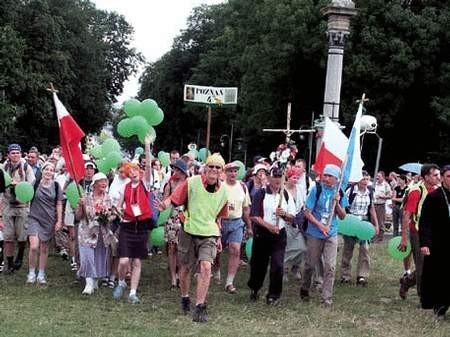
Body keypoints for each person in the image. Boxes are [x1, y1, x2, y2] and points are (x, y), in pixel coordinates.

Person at [156, 153, 228, 323]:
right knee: (186, 268)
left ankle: (200, 306)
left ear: (221, 171)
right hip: (189, 230)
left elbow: (219, 216)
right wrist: (163, 205)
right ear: (205, 168)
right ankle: (185, 296)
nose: (214, 170)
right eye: (211, 166)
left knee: (206, 267)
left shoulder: (224, 191)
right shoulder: (192, 182)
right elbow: (175, 198)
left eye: (218, 167)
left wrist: (218, 236)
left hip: (209, 233)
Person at [113, 135, 154, 304]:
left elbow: (149, 165)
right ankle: (121, 281)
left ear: (140, 172)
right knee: (123, 261)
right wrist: (119, 213)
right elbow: (119, 206)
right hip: (127, 227)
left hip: (141, 227)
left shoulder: (145, 183)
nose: (134, 173)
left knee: (137, 261)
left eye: (136, 171)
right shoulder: (126, 187)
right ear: (128, 174)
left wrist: (147, 146)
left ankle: (132, 292)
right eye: (131, 172)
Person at [299, 164, 347, 307]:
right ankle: (305, 287)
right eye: (324, 175)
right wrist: (320, 225)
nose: (325, 178)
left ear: (336, 179)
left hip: (331, 233)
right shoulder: (316, 189)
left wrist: (337, 204)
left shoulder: (340, 192)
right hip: (315, 232)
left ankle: (326, 298)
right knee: (310, 264)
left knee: (330, 266)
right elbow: (307, 212)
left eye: (329, 176)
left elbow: (343, 216)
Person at [247, 166, 296, 306]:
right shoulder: (260, 194)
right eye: (274, 176)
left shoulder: (285, 195)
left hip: (279, 235)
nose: (277, 180)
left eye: (280, 177)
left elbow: (292, 217)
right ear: (268, 178)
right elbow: (254, 216)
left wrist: (284, 215)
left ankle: (273, 295)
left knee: (278, 265)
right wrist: (269, 227)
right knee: (259, 265)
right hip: (262, 234)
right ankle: (255, 288)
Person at [398, 163, 440, 300]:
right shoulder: (416, 191)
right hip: (417, 232)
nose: (438, 178)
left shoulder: (437, 190)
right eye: (435, 175)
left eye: (438, 175)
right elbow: (406, 215)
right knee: (422, 264)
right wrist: (404, 238)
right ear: (426, 177)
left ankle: (407, 281)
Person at [75, 172, 115, 295]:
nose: (104, 183)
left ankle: (95, 279)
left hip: (102, 233)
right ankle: (88, 283)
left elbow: (113, 214)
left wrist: (107, 217)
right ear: (94, 184)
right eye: (101, 181)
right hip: (87, 232)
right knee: (87, 256)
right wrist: (81, 206)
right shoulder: (86, 197)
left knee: (99, 256)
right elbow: (78, 216)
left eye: (105, 181)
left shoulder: (109, 198)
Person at [215, 161, 252, 293]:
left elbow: (246, 208)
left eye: (235, 171)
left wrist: (249, 226)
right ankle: (216, 268)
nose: (233, 173)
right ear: (225, 173)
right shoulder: (220, 186)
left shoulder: (242, 186)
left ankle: (229, 282)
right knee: (217, 251)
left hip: (237, 222)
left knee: (235, 249)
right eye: (230, 171)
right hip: (221, 222)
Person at [419, 165, 450, 321]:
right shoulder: (434, 197)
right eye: (449, 176)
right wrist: (425, 243)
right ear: (443, 178)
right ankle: (440, 307)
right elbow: (425, 222)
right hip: (440, 243)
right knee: (441, 276)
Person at [339, 170, 379, 286]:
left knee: (365, 249)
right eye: (363, 179)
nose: (365, 182)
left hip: (364, 222)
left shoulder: (370, 192)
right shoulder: (350, 191)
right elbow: (343, 206)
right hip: (351, 221)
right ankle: (345, 275)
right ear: (358, 180)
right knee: (348, 248)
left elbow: (371, 209)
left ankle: (362, 276)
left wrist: (376, 225)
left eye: (367, 179)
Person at [26, 162, 63, 284]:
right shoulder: (35, 184)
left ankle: (41, 274)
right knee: (34, 246)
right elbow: (26, 197)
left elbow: (59, 204)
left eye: (51, 170)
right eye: (47, 169)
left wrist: (59, 220)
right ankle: (31, 273)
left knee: (44, 248)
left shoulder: (57, 186)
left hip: (49, 220)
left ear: (54, 173)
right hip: (34, 218)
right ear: (43, 171)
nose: (49, 172)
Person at [1, 143, 36, 273]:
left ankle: (20, 256)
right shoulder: (4, 167)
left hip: (22, 205)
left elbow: (31, 183)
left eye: (17, 153)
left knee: (22, 235)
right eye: (13, 153)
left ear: (21, 154)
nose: (15, 155)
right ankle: (9, 262)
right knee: (8, 236)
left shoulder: (26, 167)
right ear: (8, 155)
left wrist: (18, 184)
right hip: (8, 204)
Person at [162, 159, 188, 290]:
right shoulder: (170, 183)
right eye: (174, 169)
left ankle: (180, 274)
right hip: (172, 218)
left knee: (182, 249)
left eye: (178, 169)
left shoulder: (190, 183)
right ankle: (173, 278)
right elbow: (165, 201)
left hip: (186, 218)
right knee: (172, 248)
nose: (175, 172)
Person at [372, 171, 392, 242]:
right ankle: (373, 237)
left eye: (379, 176)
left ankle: (380, 238)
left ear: (383, 177)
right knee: (373, 221)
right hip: (373, 205)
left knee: (380, 222)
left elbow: (390, 196)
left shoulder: (386, 185)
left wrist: (382, 196)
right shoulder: (374, 184)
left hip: (381, 205)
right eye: (377, 176)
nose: (377, 177)